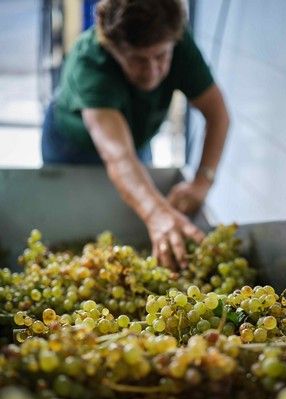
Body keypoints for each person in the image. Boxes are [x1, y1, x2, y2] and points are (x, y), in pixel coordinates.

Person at [41, 0, 229, 270]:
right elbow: (119, 158)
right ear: (112, 49)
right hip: (73, 146)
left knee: (140, 207)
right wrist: (154, 211)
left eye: (161, 57)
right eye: (138, 60)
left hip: (133, 137)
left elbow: (217, 114)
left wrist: (202, 182)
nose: (153, 70)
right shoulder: (90, 63)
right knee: (69, 218)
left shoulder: (177, 41)